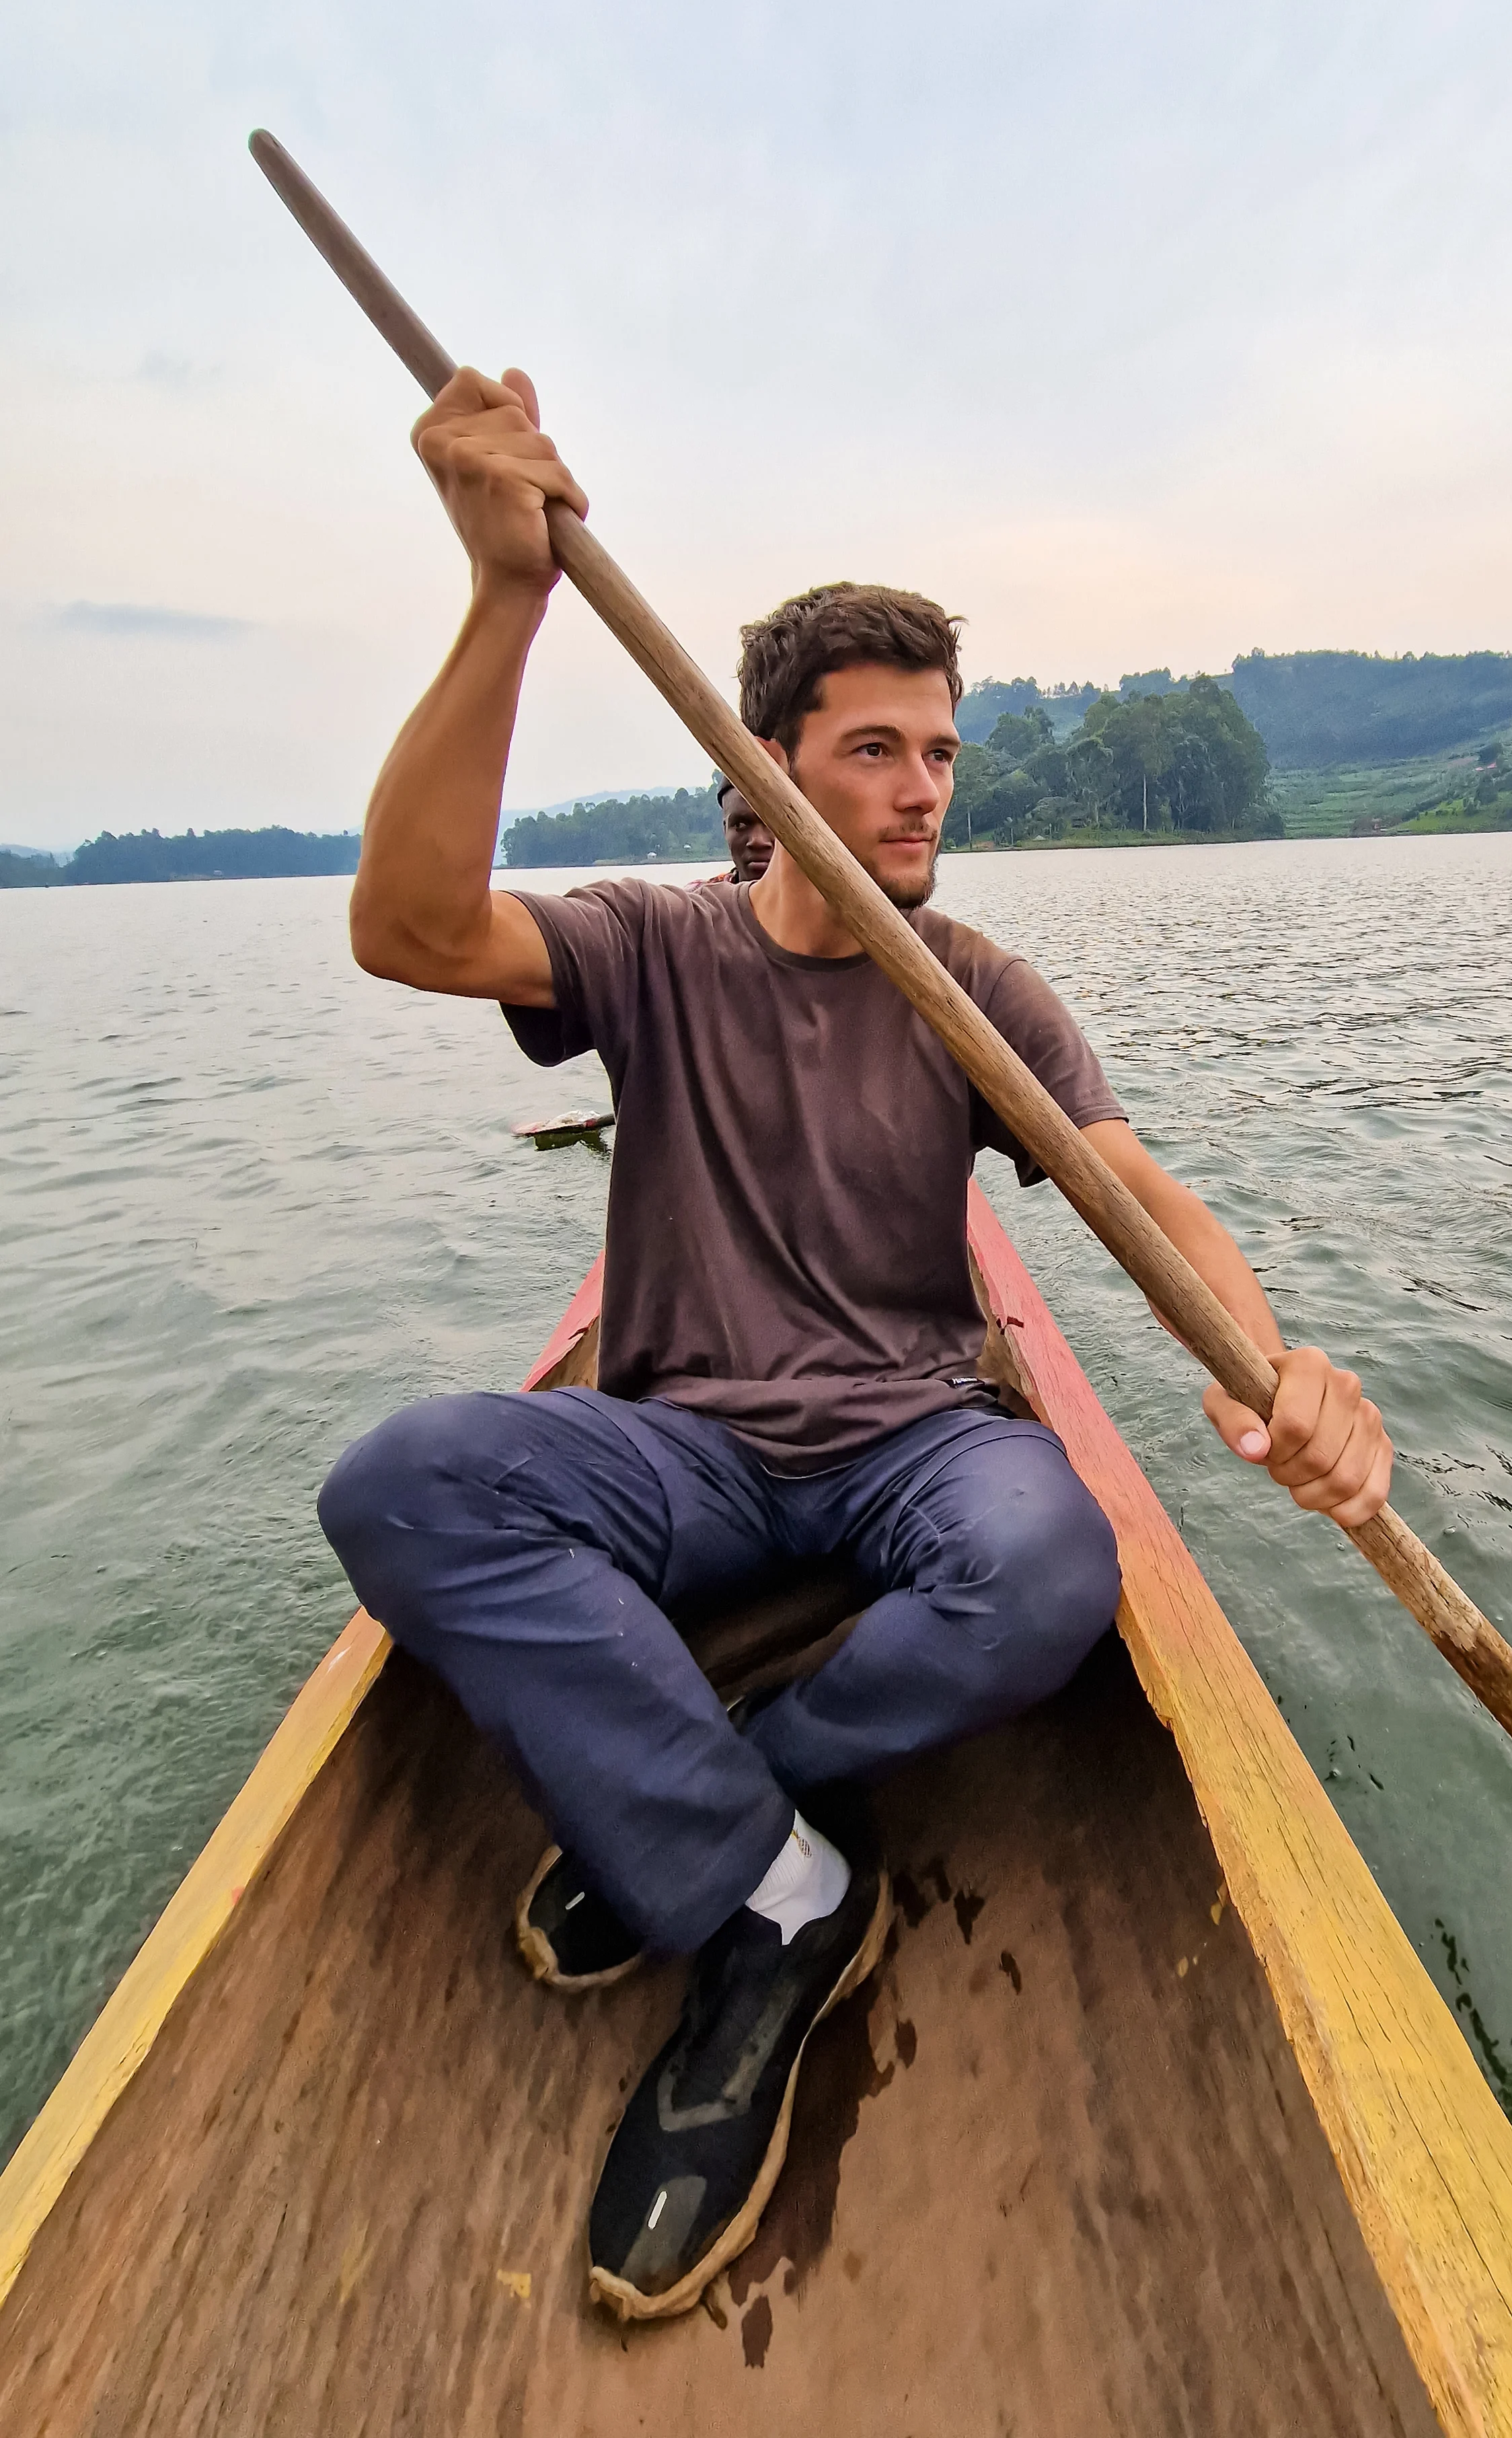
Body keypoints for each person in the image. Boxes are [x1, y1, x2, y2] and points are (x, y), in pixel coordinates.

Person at [315, 363, 1395, 2327]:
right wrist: (504, 602)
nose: (920, 790)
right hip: (685, 1445)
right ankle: (776, 1895)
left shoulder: (981, 992)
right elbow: (407, 925)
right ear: (771, 768)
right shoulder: (654, 946)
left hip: (911, 1429)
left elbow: (1133, 1188)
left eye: (942, 756)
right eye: (876, 748)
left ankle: (714, 1786)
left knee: (1053, 1558)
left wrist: (1278, 1364)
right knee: (403, 1483)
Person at [716, 778, 775, 881]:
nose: (758, 841)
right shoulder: (701, 896)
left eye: (775, 825)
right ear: (725, 830)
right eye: (740, 825)